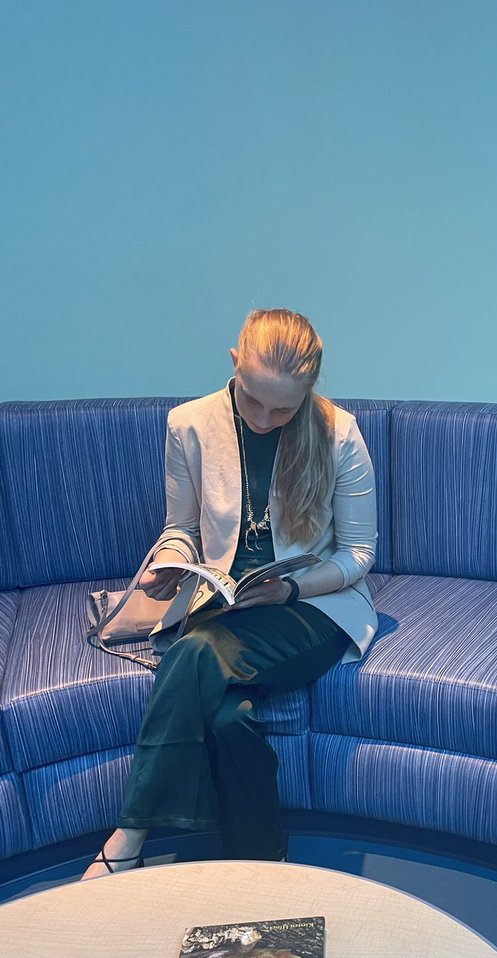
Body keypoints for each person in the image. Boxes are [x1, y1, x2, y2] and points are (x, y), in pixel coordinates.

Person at [82, 308, 377, 879]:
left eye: (284, 409)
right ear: (235, 364)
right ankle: (263, 861)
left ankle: (130, 834)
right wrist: (170, 563)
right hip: (222, 604)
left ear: (309, 390)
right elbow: (182, 529)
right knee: (226, 720)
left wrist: (290, 587)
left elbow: (359, 557)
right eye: (253, 401)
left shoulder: (340, 434)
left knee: (195, 652)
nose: (265, 419)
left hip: (312, 611)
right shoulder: (188, 425)